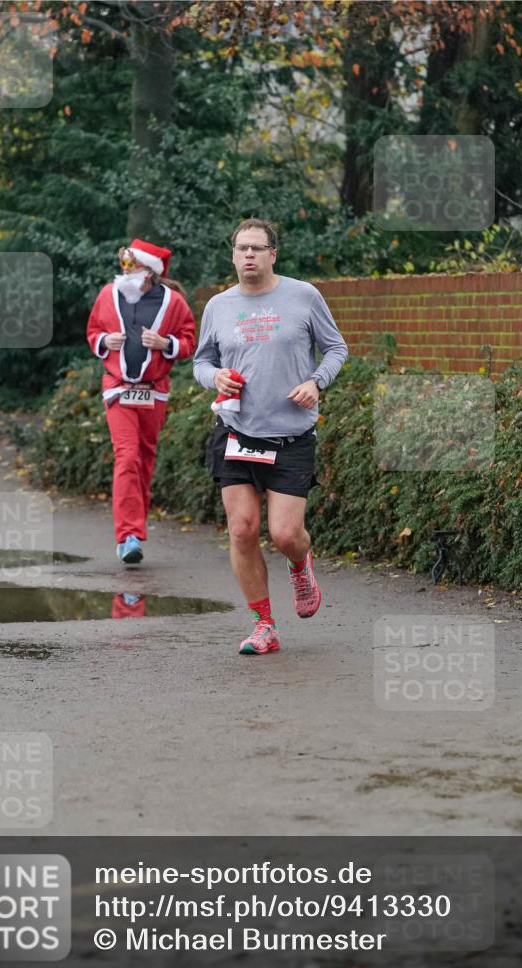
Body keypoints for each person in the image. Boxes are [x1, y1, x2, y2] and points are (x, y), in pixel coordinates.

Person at [193, 218, 348, 654]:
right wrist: (215, 376)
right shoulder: (219, 306)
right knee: (242, 530)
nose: (248, 256)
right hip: (236, 431)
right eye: (241, 248)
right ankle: (264, 625)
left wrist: (317, 381)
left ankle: (300, 564)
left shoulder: (303, 296)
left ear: (272, 254)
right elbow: (201, 362)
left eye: (257, 248)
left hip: (290, 437)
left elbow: (336, 348)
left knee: (284, 535)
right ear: (233, 255)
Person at [87, 239, 195, 564]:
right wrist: (105, 340)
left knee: (145, 459)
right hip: (118, 388)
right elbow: (92, 331)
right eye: (124, 265)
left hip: (154, 390)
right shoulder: (108, 294)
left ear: (150, 272)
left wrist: (166, 343)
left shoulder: (173, 302)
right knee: (127, 455)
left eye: (132, 266)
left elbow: (189, 340)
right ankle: (127, 536)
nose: (126, 271)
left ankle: (135, 528)